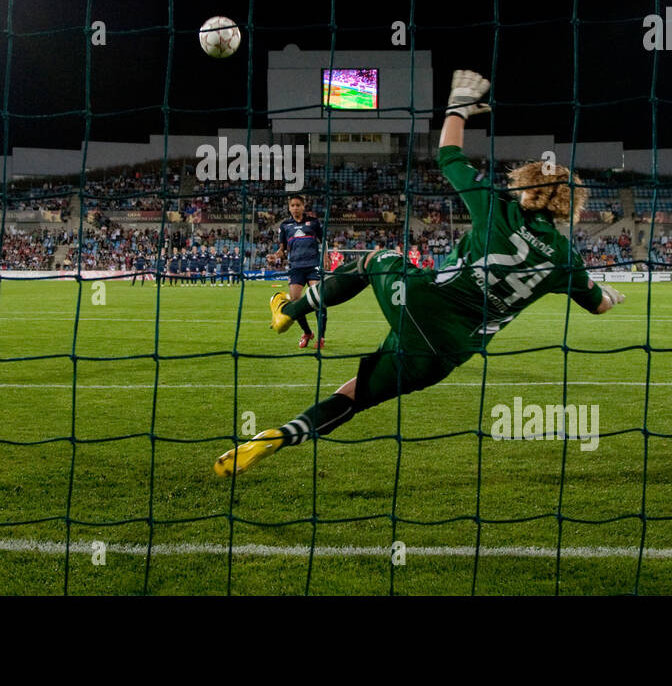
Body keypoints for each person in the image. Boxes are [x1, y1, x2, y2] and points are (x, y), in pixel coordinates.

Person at [215, 69, 627, 477]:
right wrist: (609, 293)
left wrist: (458, 109)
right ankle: (280, 436)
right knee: (355, 397)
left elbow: (449, 155)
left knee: (374, 259)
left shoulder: (498, 206)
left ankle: (289, 310)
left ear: (526, 186)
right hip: (445, 354)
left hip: (423, 302)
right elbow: (600, 305)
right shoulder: (564, 258)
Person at [268, 194, 326, 349]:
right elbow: (282, 249)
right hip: (296, 268)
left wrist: (325, 259)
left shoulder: (313, 223)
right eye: (292, 205)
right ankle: (307, 333)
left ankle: (321, 337)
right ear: (289, 207)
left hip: (313, 266)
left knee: (319, 301)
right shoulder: (285, 226)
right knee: (295, 302)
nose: (295, 208)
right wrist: (275, 256)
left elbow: (324, 241)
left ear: (303, 206)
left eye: (298, 205)